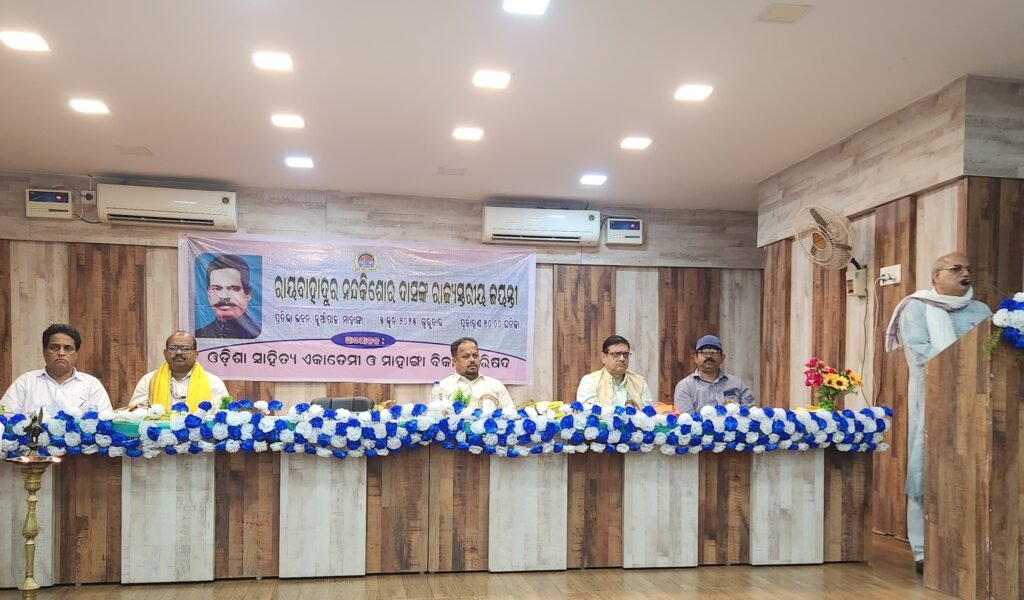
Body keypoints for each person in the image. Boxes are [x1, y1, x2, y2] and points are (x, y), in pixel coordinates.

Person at [885, 251, 992, 575]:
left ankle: (969, 546)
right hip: (933, 402)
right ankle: (923, 550)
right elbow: (920, 353)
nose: (965, 274)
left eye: (968, 268)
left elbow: (992, 352)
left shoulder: (982, 311)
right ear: (936, 276)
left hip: (978, 404)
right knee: (926, 470)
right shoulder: (916, 307)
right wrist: (964, 367)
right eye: (956, 269)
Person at [1, 323, 112, 416]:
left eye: (68, 348)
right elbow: (4, 418)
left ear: (76, 354)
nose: (61, 353)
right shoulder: (25, 382)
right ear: (44, 352)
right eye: (54, 348)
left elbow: (106, 422)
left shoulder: (91, 385)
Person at [129, 331, 229, 412]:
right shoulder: (149, 380)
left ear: (195, 354)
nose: (179, 352)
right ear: (165, 353)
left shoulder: (213, 382)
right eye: (173, 348)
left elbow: (222, 413)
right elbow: (135, 412)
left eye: (185, 349)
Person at [673, 334, 755, 413]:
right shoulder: (685, 387)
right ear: (695, 358)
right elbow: (686, 419)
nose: (709, 356)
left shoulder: (737, 384)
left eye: (714, 352)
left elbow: (750, 414)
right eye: (704, 352)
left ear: (722, 357)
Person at [195, 254, 261, 339]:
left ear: (248, 294)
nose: (224, 296)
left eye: (234, 289)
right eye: (217, 289)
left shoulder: (261, 334)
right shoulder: (198, 335)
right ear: (208, 293)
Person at [576, 335, 653, 407]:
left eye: (625, 354)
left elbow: (647, 413)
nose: (622, 359)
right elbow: (587, 413)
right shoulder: (590, 381)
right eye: (616, 354)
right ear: (603, 357)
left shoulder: (640, 382)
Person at [438, 337, 516, 409]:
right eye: (466, 356)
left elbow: (511, 414)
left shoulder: (495, 385)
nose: (472, 360)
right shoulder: (443, 387)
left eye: (475, 356)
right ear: (454, 361)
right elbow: (437, 416)